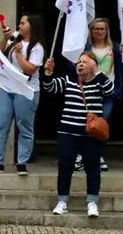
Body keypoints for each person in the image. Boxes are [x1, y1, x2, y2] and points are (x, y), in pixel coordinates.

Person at [43, 52, 114, 218]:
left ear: (93, 66)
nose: (80, 64)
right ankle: (62, 201)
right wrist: (48, 72)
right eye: (79, 62)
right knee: (65, 166)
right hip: (68, 131)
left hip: (91, 134)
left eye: (85, 62)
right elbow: (50, 87)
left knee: (93, 168)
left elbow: (110, 91)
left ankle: (92, 202)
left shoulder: (99, 81)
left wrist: (98, 72)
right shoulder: (69, 80)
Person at [0, 13, 45, 175]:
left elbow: (30, 69)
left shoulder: (37, 47)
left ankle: (22, 162)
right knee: (0, 124)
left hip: (26, 90)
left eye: (23, 23)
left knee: (24, 126)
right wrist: (6, 39)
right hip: (7, 87)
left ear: (31, 26)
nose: (19, 26)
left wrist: (19, 55)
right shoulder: (16, 37)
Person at [74, 17, 123, 172]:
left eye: (102, 29)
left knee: (99, 125)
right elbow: (76, 65)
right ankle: (80, 155)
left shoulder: (115, 48)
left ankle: (96, 155)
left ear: (107, 31)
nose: (99, 31)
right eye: (96, 28)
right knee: (84, 123)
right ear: (91, 31)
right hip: (88, 92)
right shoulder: (85, 48)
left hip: (107, 92)